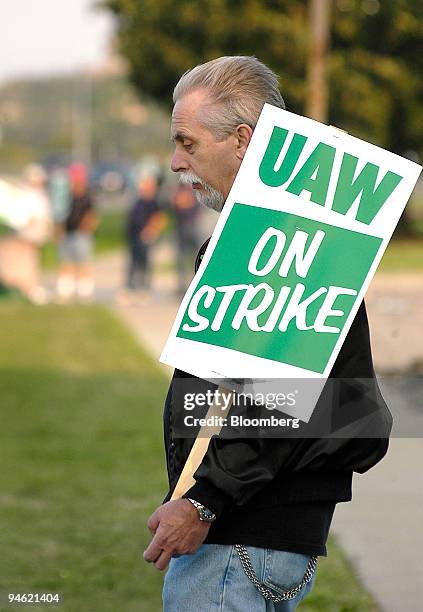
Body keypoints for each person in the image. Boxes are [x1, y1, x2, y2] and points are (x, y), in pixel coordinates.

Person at [143, 56, 392, 611]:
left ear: (242, 139)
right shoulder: (292, 236)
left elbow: (280, 399)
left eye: (186, 142)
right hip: (259, 529)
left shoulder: (276, 244)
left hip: (240, 535)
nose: (175, 161)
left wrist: (203, 502)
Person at [56, 163, 97, 302]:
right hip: (67, 233)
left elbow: (92, 215)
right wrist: (58, 231)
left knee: (83, 262)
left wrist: (85, 228)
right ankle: (65, 290)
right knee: (66, 262)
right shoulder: (65, 195)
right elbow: (60, 215)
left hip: (81, 234)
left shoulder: (87, 196)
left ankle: (84, 292)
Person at [124, 175, 164, 293]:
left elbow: (159, 218)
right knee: (133, 263)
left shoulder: (153, 202)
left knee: (144, 263)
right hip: (134, 235)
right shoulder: (138, 201)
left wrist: (151, 230)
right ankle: (131, 287)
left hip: (145, 237)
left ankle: (143, 288)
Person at [170, 183, 200, 294]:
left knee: (195, 260)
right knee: (181, 261)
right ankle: (182, 288)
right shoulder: (178, 195)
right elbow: (174, 203)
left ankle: (195, 286)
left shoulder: (196, 195)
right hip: (180, 232)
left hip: (193, 232)